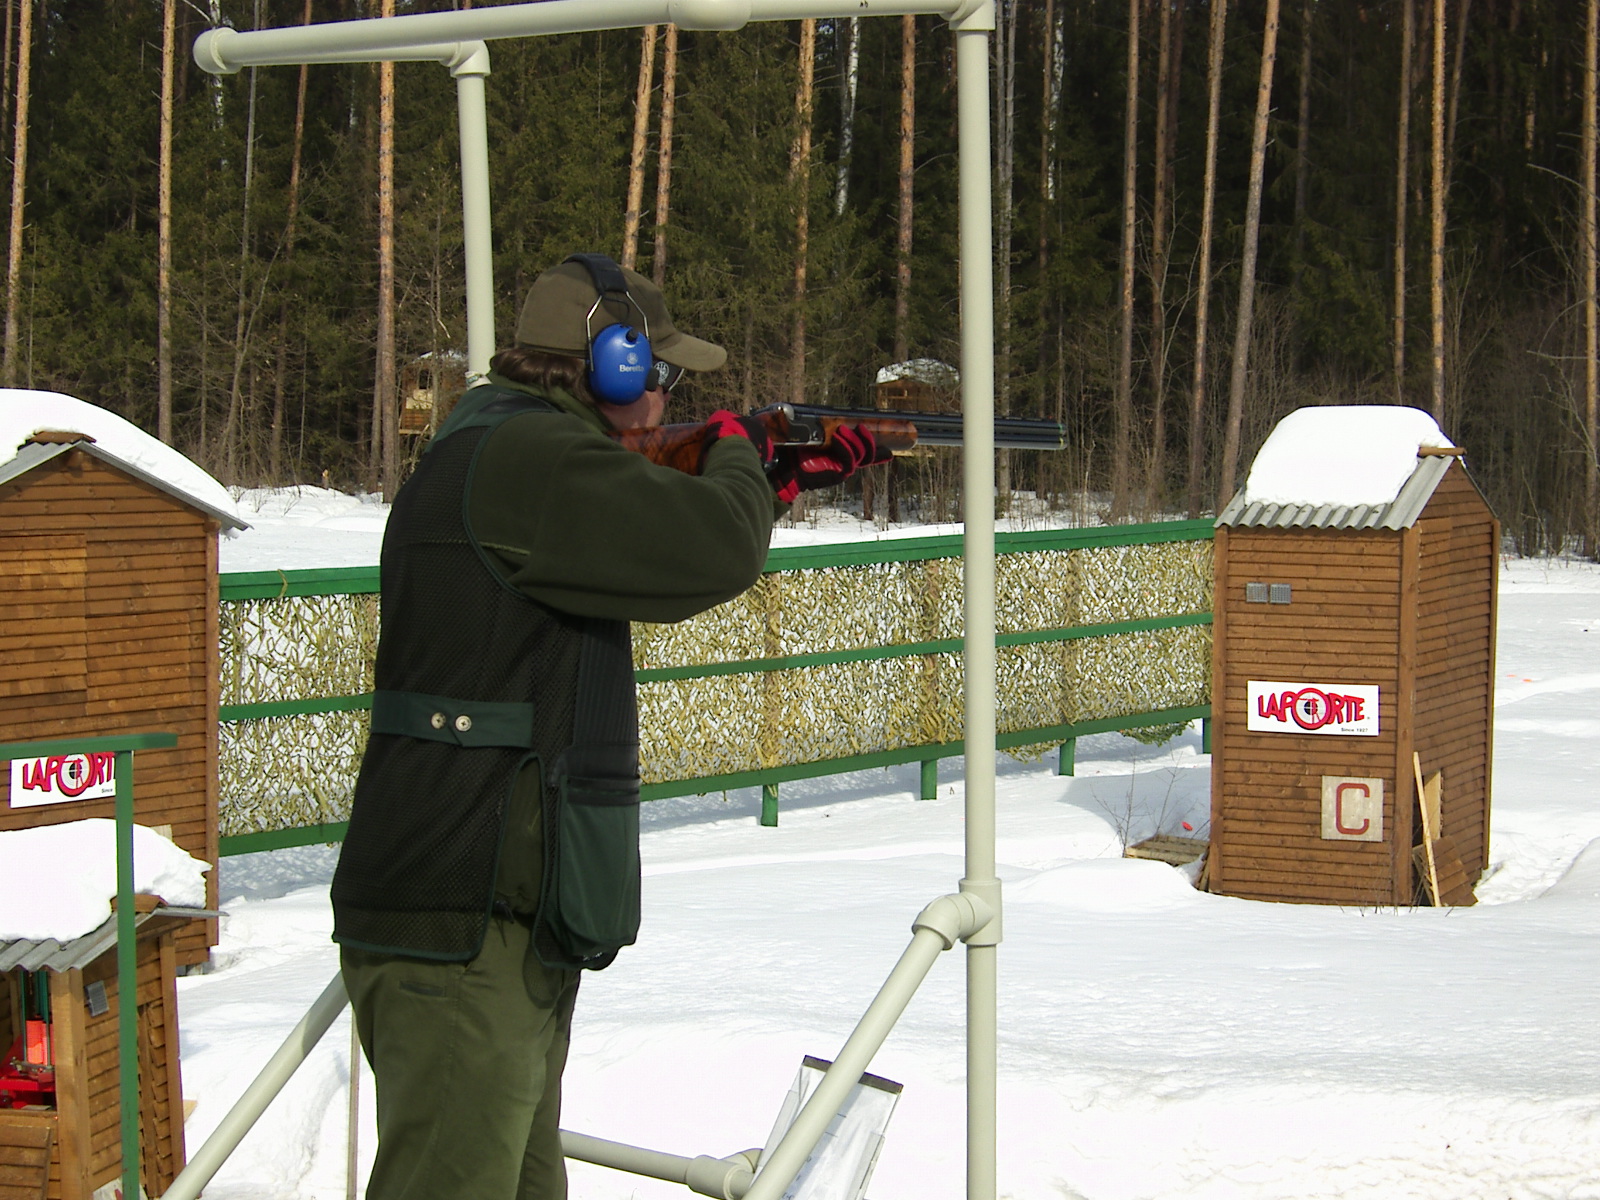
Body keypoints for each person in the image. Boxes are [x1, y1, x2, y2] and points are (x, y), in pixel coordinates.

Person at [330, 253, 888, 1200]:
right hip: (465, 929)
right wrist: (740, 455)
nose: (668, 399)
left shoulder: (505, 444)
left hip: (502, 927)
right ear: (609, 367)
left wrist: (763, 475)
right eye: (660, 375)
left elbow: (654, 532)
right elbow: (711, 546)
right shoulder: (530, 459)